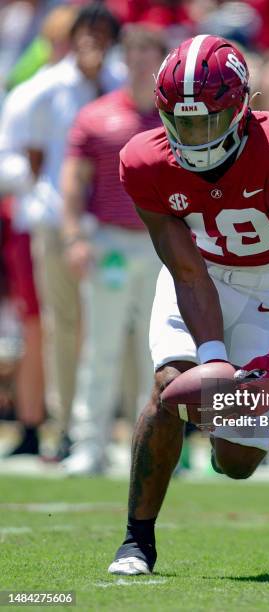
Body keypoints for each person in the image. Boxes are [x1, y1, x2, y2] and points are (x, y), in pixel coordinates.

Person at [108, 34, 269, 575]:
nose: (195, 136)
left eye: (207, 121)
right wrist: (213, 354)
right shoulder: (143, 161)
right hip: (200, 278)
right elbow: (186, 269)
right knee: (170, 386)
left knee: (238, 461)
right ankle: (137, 541)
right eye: (183, 122)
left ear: (243, 108)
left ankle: (221, 426)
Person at [0, 2, 122, 460]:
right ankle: (67, 426)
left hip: (114, 226)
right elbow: (10, 154)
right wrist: (37, 183)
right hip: (56, 223)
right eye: (84, 33)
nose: (92, 42)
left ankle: (113, 427)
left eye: (100, 33)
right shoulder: (42, 90)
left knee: (116, 331)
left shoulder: (123, 86)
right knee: (63, 329)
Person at [60, 25, 167, 475]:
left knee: (159, 353)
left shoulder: (178, 117)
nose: (140, 60)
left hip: (163, 244)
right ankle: (90, 444)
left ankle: (157, 446)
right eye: (133, 51)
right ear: (122, 59)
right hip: (109, 243)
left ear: (163, 60)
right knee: (101, 348)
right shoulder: (96, 115)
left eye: (149, 52)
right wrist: (74, 236)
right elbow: (73, 180)